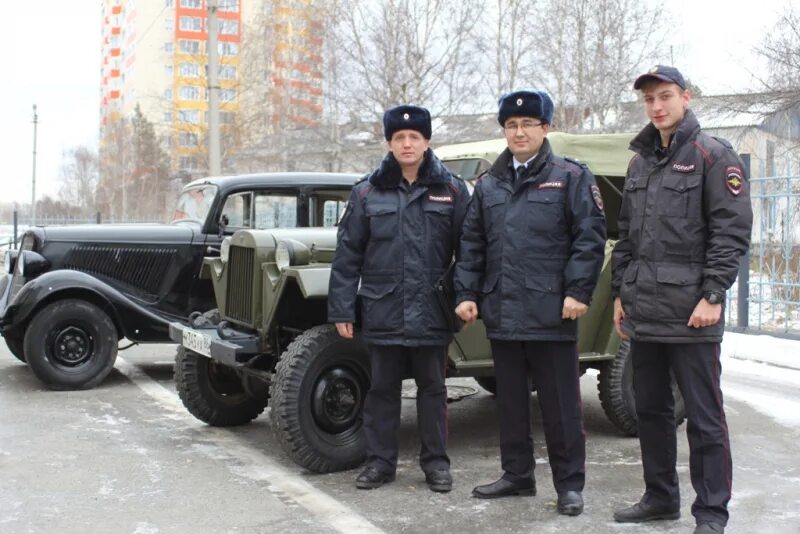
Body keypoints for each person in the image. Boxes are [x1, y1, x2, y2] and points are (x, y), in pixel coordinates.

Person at [610, 65, 753, 534]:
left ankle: (711, 513)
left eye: (665, 96)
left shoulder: (714, 156)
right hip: (645, 314)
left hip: (693, 314)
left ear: (686, 97)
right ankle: (660, 498)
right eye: (649, 99)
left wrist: (713, 293)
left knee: (705, 420)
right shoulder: (639, 163)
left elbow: (730, 233)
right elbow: (626, 237)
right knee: (651, 413)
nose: (657, 106)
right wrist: (619, 294)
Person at [454, 90, 606, 515]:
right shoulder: (488, 185)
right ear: (504, 131)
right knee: (512, 403)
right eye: (511, 126)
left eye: (528, 124)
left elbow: (589, 239)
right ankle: (517, 475)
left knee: (560, 406)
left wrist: (578, 291)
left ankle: (569, 485)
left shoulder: (570, 176)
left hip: (552, 313)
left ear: (545, 128)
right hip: (502, 312)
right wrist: (466, 294)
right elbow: (472, 245)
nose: (519, 132)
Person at [328, 104, 470, 492]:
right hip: (382, 307)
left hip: (432, 310)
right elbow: (348, 254)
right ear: (389, 142)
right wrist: (342, 306)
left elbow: (470, 250)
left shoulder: (452, 190)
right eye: (399, 138)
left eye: (414, 137)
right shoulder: (367, 191)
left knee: (433, 391)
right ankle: (380, 463)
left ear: (426, 141)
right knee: (382, 391)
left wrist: (464, 295)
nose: (407, 144)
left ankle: (437, 464)